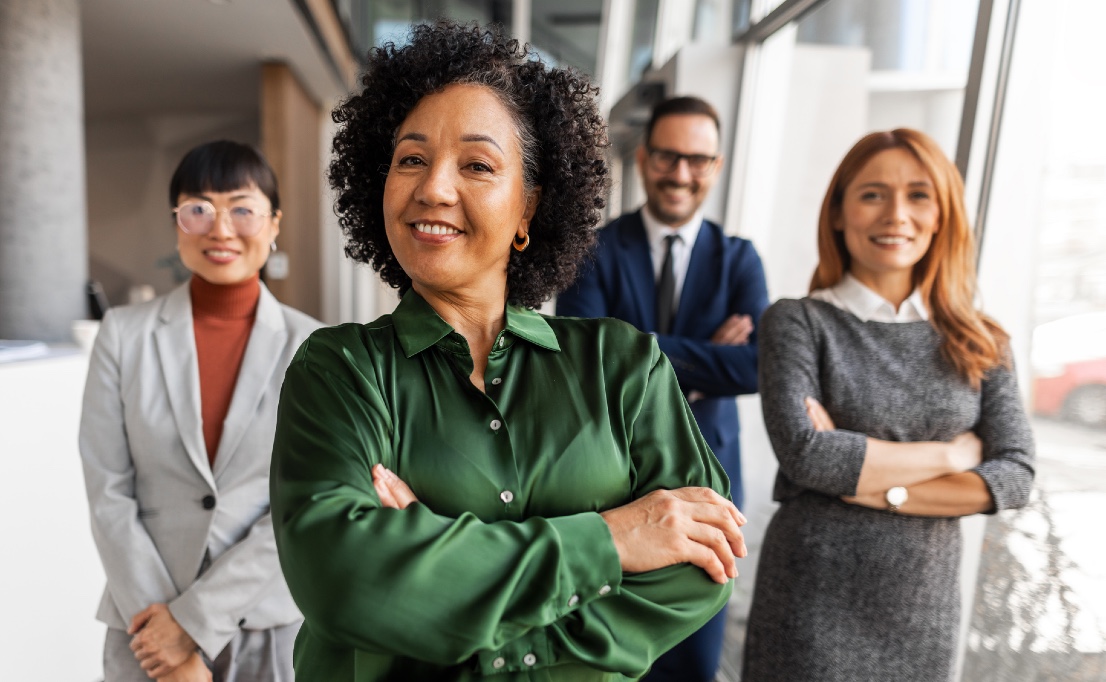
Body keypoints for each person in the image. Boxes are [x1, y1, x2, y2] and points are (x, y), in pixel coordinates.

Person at [270, 22, 747, 682]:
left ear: (530, 209)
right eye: (410, 159)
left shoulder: (624, 366)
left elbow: (703, 566)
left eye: (477, 165)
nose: (433, 188)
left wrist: (438, 566)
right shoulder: (340, 370)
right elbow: (345, 579)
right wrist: (610, 539)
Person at [741, 129, 1035, 680]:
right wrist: (952, 457)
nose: (896, 213)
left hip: (921, 608)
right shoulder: (798, 321)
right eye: (873, 194)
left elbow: (1015, 474)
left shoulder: (982, 340)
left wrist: (877, 485)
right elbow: (807, 456)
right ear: (838, 213)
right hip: (812, 597)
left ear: (942, 215)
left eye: (918, 195)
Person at [80, 140, 321, 682]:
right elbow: (107, 490)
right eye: (198, 209)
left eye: (242, 207)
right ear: (177, 223)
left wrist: (192, 624)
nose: (220, 228)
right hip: (144, 626)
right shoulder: (123, 335)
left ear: (274, 222)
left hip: (267, 623)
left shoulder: (317, 347)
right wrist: (163, 632)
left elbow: (304, 501)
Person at [556, 95, 769, 682]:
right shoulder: (593, 250)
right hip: (608, 488)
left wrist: (633, 347)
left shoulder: (740, 259)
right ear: (645, 158)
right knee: (610, 665)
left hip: (710, 490)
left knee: (694, 667)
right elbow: (581, 357)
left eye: (697, 160)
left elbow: (756, 367)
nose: (681, 173)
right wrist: (708, 357)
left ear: (717, 166)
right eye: (668, 156)